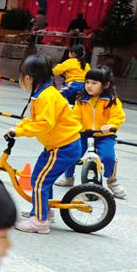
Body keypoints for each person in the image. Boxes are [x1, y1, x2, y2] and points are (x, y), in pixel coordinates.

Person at [6, 55, 82, 233]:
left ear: (29, 77)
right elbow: (37, 120)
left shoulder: (46, 96)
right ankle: (44, 211)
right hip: (58, 145)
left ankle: (40, 222)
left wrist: (20, 132)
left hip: (63, 147)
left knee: (40, 181)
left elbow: (44, 124)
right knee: (40, 178)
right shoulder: (43, 92)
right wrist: (21, 126)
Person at [56, 66, 127, 198]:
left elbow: (118, 116)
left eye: (94, 83)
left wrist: (111, 125)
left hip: (104, 135)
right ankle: (68, 177)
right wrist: (74, 127)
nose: (89, 86)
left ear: (105, 85)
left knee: (108, 157)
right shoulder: (81, 100)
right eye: (87, 82)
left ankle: (112, 180)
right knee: (72, 153)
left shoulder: (111, 101)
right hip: (84, 134)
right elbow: (75, 117)